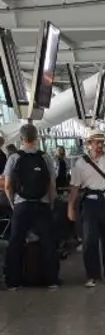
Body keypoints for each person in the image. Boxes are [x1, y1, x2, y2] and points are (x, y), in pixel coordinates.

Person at [67, 130, 105, 288]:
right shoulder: (80, 163)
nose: (100, 145)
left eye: (102, 142)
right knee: (89, 240)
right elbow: (74, 187)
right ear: (89, 144)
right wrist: (71, 207)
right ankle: (92, 275)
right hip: (90, 203)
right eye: (97, 142)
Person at [2, 124, 58, 291]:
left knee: (16, 242)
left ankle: (13, 281)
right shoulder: (45, 157)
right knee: (48, 242)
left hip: (21, 204)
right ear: (37, 138)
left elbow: (7, 185)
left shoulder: (14, 158)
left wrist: (13, 203)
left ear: (21, 138)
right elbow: (52, 184)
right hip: (42, 204)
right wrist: (51, 202)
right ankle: (51, 280)